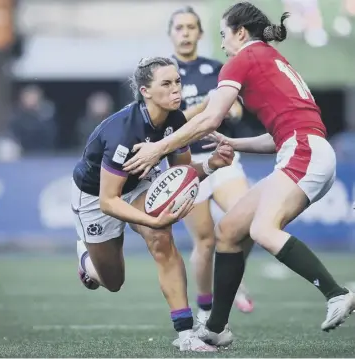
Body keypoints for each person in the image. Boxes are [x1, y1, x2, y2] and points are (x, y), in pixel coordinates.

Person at [123, 2, 355, 346]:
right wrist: (234, 142)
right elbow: (277, 135)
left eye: (223, 35)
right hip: (305, 148)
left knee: (262, 229)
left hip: (303, 151)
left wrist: (159, 147)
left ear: (240, 32)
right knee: (229, 231)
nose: (221, 44)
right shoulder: (271, 58)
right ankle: (216, 328)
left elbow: (209, 118)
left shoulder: (242, 59)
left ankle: (336, 293)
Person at [71, 56, 235, 352]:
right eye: (167, 84)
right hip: (96, 197)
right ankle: (85, 257)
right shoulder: (123, 132)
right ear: (145, 91)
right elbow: (109, 201)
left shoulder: (175, 120)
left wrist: (211, 164)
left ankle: (185, 334)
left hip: (139, 185)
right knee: (112, 281)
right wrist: (154, 219)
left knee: (162, 238)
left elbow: (181, 174)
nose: (177, 91)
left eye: (178, 83)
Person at [168, 6, 254, 324]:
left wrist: (231, 112)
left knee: (247, 223)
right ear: (171, 34)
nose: (186, 32)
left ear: (201, 34)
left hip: (224, 155)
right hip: (187, 163)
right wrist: (207, 107)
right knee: (204, 242)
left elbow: (238, 108)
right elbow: (171, 124)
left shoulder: (217, 68)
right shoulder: (165, 73)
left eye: (192, 27)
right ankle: (206, 310)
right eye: (180, 28)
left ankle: (232, 281)